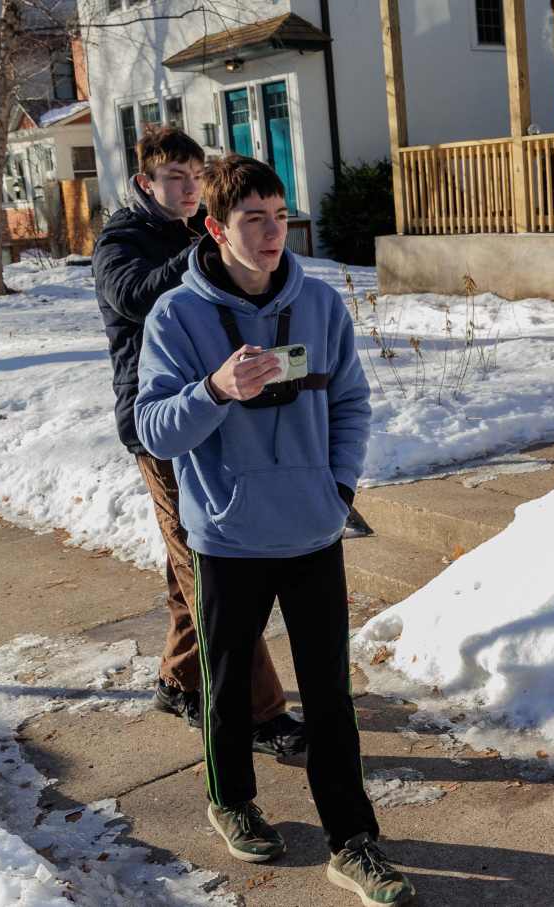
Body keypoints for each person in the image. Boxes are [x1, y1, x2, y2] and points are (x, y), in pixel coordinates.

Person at [134, 154, 415, 906]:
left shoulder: (320, 306)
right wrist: (215, 389)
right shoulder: (178, 316)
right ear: (216, 227)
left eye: (279, 214)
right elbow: (154, 428)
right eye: (252, 218)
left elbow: (351, 401)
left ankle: (353, 841)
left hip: (313, 530)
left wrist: (339, 487)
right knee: (228, 691)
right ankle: (231, 798)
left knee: (331, 698)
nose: (270, 232)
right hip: (227, 539)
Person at [93, 127, 305, 760]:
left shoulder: (195, 235)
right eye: (174, 179)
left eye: (195, 177)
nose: (188, 190)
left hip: (221, 418)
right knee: (205, 564)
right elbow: (128, 296)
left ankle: (178, 677)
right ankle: (262, 712)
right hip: (159, 424)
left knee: (185, 560)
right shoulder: (122, 241)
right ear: (144, 184)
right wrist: (205, 251)